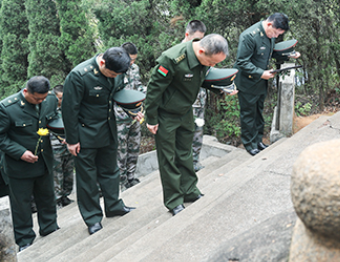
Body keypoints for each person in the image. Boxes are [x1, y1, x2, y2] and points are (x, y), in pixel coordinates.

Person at [145, 34, 229, 216]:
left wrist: (223, 88)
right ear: (201, 51)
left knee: (185, 152)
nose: (212, 66)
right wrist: (151, 118)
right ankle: (174, 200)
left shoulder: (203, 59)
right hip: (165, 115)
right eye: (211, 62)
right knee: (168, 158)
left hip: (185, 111)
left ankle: (189, 190)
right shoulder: (172, 59)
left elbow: (203, 80)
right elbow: (153, 90)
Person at [62, 47, 139, 235]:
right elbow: (69, 110)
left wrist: (133, 108)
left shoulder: (118, 70)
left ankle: (114, 206)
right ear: (102, 62)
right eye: (111, 73)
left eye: (117, 74)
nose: (114, 77)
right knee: (87, 179)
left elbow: (119, 94)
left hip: (108, 130)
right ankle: (92, 218)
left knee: (111, 171)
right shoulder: (79, 76)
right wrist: (72, 141)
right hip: (85, 135)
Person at [0, 76, 60, 251]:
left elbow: (54, 118)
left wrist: (62, 134)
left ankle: (50, 228)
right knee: (21, 204)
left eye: (43, 98)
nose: (41, 102)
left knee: (47, 197)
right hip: (19, 166)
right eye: (36, 99)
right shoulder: (7, 108)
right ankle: (25, 239)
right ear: (26, 91)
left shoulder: (49, 99)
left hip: (44, 161)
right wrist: (20, 153)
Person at [234, 13, 300, 156]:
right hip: (247, 82)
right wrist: (261, 73)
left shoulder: (269, 35)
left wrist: (289, 54)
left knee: (259, 112)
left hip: (260, 81)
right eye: (275, 33)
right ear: (269, 25)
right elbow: (242, 62)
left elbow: (270, 53)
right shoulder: (249, 36)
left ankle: (258, 141)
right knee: (248, 114)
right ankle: (249, 144)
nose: (275, 36)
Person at [115, 42, 144, 190]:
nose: (132, 63)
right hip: (119, 117)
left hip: (135, 116)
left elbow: (138, 86)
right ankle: (121, 182)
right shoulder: (115, 69)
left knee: (134, 146)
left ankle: (131, 177)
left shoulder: (134, 68)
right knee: (120, 151)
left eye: (134, 60)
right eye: (130, 59)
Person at [182, 20, 207, 172]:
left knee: (198, 131)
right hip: (185, 103)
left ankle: (195, 161)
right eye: (196, 39)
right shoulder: (177, 54)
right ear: (187, 35)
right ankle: (184, 165)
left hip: (200, 100)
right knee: (185, 134)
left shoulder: (200, 52)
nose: (199, 43)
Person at [50, 84, 74, 207]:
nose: (62, 100)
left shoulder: (69, 108)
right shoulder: (49, 110)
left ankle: (65, 195)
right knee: (56, 174)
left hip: (68, 145)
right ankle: (57, 200)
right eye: (60, 98)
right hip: (55, 146)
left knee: (68, 171)